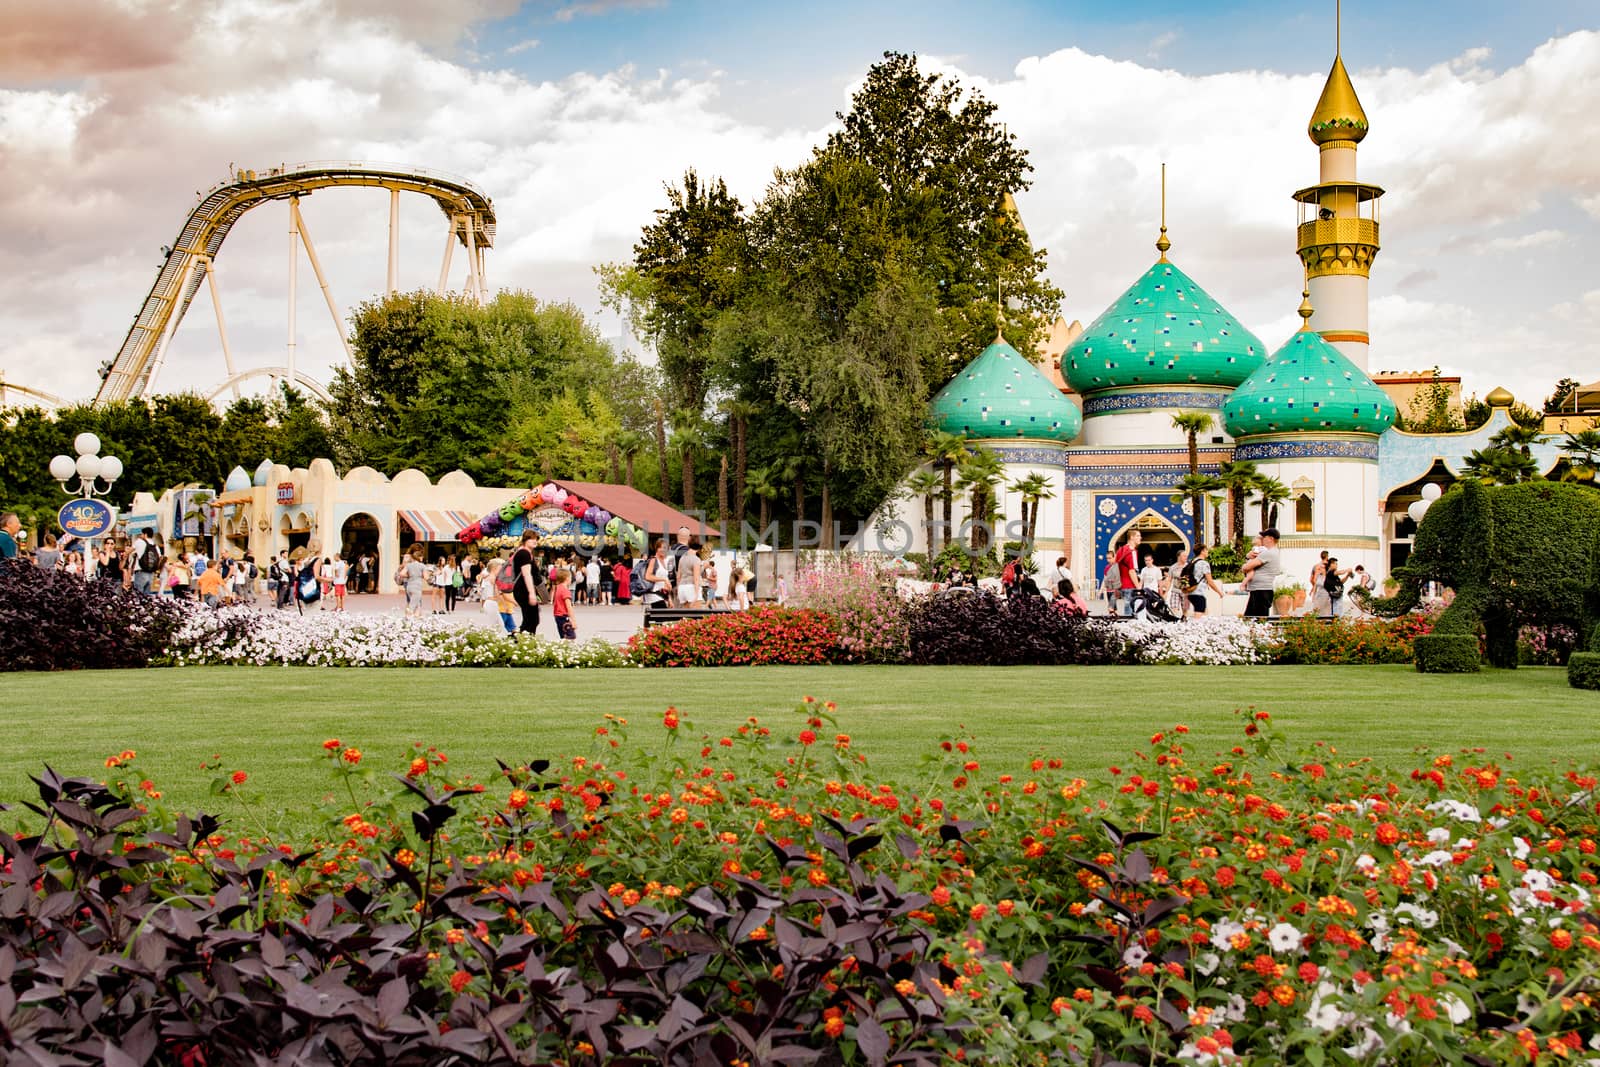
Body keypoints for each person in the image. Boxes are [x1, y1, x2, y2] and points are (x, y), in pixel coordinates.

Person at [1239, 528, 1281, 618]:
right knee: (1251, 618)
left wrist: (1244, 564)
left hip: (1261, 591)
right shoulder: (1273, 552)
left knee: (1257, 619)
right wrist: (1248, 557)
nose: (1262, 539)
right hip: (1259, 590)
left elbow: (1247, 567)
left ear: (1271, 538)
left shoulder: (1268, 553)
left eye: (1264, 537)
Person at [511, 530, 542, 636]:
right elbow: (526, 574)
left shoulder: (525, 552)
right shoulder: (524, 553)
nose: (535, 541)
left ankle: (520, 642)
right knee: (532, 620)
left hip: (522, 590)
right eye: (532, 539)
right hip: (524, 590)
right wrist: (532, 593)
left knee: (530, 620)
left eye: (536, 539)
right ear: (525, 540)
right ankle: (521, 642)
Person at [1187, 544, 1226, 616]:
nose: (1208, 552)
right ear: (1202, 551)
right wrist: (1219, 592)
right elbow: (1210, 581)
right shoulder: (1204, 564)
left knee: (1205, 613)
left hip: (1190, 591)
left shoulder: (1192, 562)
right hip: (1199, 592)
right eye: (1206, 550)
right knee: (1198, 616)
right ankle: (1195, 626)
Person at [1115, 531, 1142, 616]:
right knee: (1130, 608)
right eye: (1138, 536)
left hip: (1122, 584)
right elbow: (1132, 570)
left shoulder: (1121, 550)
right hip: (1130, 584)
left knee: (1127, 605)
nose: (1140, 538)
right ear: (1131, 537)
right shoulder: (1132, 551)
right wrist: (1138, 586)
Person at [1163, 546, 1191, 621]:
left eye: (1186, 556)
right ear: (1179, 557)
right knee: (1174, 607)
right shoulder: (1173, 567)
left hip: (1185, 591)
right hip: (1175, 590)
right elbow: (1169, 580)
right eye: (1184, 556)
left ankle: (1184, 618)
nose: (1186, 557)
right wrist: (1166, 592)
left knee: (1185, 608)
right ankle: (1174, 620)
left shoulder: (1189, 567)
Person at [489, 559, 517, 634]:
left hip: (505, 608)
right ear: (494, 569)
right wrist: (506, 605)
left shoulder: (497, 579)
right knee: (500, 628)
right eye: (500, 569)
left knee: (511, 628)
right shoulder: (494, 579)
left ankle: (515, 641)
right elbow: (499, 594)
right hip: (501, 608)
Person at [643, 540, 672, 608]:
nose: (662, 550)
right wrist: (664, 580)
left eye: (665, 548)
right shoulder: (653, 560)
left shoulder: (664, 562)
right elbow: (648, 576)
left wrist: (669, 598)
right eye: (660, 547)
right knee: (662, 617)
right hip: (654, 595)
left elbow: (665, 583)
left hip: (661, 595)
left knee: (662, 617)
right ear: (656, 548)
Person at [402, 546, 427, 619]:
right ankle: (412, 616)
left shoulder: (407, 558)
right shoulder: (411, 559)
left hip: (408, 582)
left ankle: (414, 616)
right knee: (414, 602)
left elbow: (403, 567)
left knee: (411, 601)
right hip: (413, 583)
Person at [552, 567, 576, 640]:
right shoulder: (565, 591)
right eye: (570, 577)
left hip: (558, 616)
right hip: (564, 616)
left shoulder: (558, 588)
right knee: (570, 637)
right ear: (567, 578)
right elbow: (569, 607)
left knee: (563, 637)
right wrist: (573, 620)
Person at [1307, 550, 1330, 618]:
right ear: (1327, 557)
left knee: (1318, 610)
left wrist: (1314, 587)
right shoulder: (1329, 566)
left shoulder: (1316, 566)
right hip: (1326, 591)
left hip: (1319, 591)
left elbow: (1312, 579)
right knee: (1325, 611)